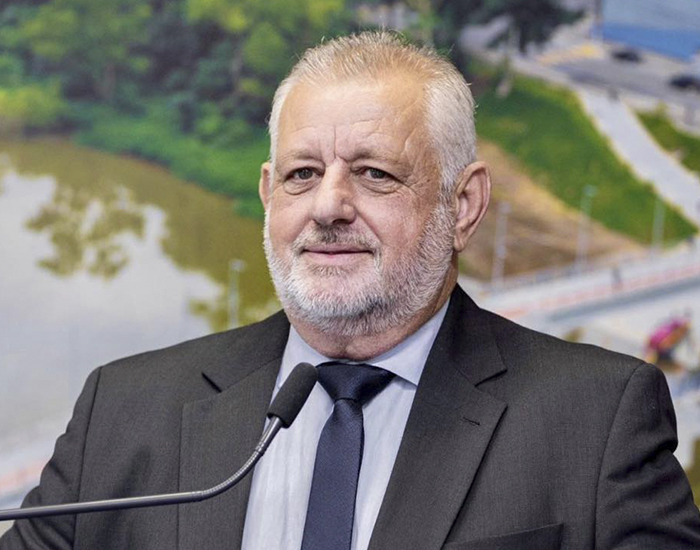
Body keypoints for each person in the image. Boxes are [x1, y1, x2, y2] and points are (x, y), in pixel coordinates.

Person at [2, 31, 700, 550]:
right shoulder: (122, 409)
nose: (328, 206)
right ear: (268, 195)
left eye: (375, 174)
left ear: (462, 205)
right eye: (303, 174)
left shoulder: (599, 423)